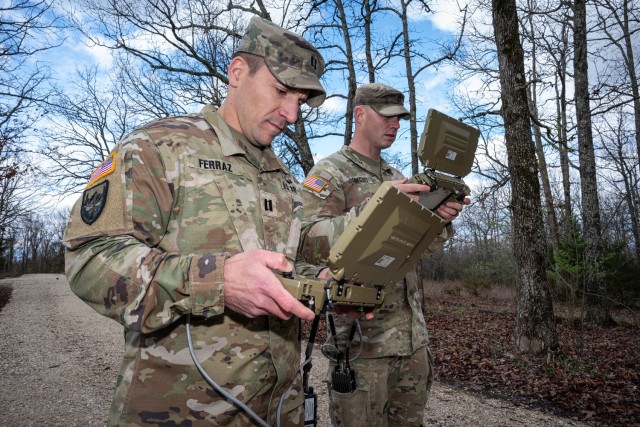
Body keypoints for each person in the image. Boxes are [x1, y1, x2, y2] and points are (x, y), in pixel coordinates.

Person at [63, 16, 326, 427]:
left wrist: (319, 282)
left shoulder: (283, 179)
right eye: (281, 91)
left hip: (276, 412)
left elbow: (282, 266)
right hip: (180, 413)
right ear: (238, 72)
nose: (292, 114)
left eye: (301, 101)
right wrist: (215, 280)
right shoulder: (158, 147)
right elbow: (89, 260)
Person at [299, 83, 468, 426]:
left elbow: (416, 249)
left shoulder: (396, 177)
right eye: (387, 116)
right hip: (363, 345)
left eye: (400, 118)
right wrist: (376, 208)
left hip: (411, 341)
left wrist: (438, 220)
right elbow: (305, 242)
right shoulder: (330, 173)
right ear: (360, 115)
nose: (395, 124)